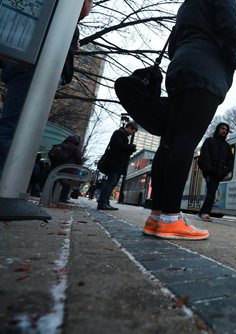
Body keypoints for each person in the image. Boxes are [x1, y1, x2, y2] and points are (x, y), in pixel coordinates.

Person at [142, 0, 236, 240]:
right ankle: (170, 217)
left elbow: (173, 45)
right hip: (206, 71)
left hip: (180, 68)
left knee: (169, 142)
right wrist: (232, 57)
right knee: (185, 143)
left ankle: (156, 216)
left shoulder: (188, 5)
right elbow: (232, 22)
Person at [0, 0, 92, 175]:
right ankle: (6, 189)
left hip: (30, 65)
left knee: (16, 127)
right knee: (15, 129)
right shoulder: (58, 17)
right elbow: (83, 9)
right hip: (37, 67)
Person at [197, 122, 233, 222]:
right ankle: (204, 213)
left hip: (219, 174)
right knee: (211, 192)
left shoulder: (227, 146)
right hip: (210, 172)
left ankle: (203, 212)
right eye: (222, 128)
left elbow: (230, 162)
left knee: (211, 192)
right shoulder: (209, 141)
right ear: (218, 129)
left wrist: (223, 172)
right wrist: (209, 170)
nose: (224, 131)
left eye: (226, 130)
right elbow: (204, 157)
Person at [97, 122, 137, 210]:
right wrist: (130, 147)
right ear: (129, 127)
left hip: (117, 165)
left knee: (112, 183)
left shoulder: (123, 135)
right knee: (110, 183)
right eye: (133, 131)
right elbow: (117, 146)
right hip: (114, 164)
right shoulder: (119, 133)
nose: (132, 134)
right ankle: (102, 203)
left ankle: (105, 202)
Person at [49, 135, 84, 203]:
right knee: (66, 184)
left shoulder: (59, 146)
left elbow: (50, 155)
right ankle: (62, 198)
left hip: (55, 169)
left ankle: (50, 196)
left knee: (54, 182)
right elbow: (79, 160)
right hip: (67, 170)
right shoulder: (75, 148)